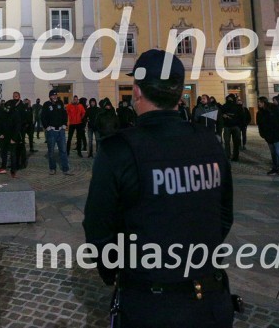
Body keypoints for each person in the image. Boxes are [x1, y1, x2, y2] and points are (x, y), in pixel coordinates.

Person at [84, 49, 234, 327]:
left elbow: (98, 230)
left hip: (149, 303)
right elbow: (224, 215)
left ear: (137, 92)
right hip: (210, 300)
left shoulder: (117, 149)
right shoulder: (209, 141)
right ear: (179, 94)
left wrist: (115, 271)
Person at [41, 89, 71, 175]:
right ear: (50, 96)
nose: (55, 96)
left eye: (55, 95)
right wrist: (47, 127)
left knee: (63, 151)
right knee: (51, 151)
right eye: (53, 95)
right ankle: (52, 168)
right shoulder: (46, 105)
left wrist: (65, 124)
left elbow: (64, 114)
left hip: (61, 131)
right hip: (52, 132)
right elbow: (43, 117)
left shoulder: (60, 103)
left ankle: (65, 169)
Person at [256, 97, 279, 177]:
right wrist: (262, 134)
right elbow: (260, 125)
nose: (259, 103)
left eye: (260, 102)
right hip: (268, 136)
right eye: (258, 102)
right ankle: (275, 168)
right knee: (273, 153)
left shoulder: (274, 109)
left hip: (278, 134)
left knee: (278, 152)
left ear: (264, 102)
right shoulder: (259, 113)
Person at [220, 95, 244, 162]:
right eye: (228, 98)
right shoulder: (224, 106)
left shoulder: (237, 106)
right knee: (227, 142)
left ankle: (235, 156)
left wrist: (241, 126)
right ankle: (228, 155)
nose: (230, 100)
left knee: (236, 142)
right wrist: (223, 115)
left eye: (231, 98)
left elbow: (242, 116)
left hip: (236, 126)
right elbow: (220, 113)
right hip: (227, 126)